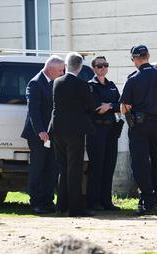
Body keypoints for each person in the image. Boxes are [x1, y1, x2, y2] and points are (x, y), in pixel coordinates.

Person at [119, 45, 157, 216]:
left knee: (140, 165)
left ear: (135, 59)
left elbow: (124, 108)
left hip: (139, 126)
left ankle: (148, 202)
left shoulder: (133, 78)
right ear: (148, 56)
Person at [49, 52, 101, 217]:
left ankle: (61, 206)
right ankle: (75, 208)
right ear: (79, 67)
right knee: (75, 169)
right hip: (75, 131)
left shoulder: (56, 82)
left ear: (66, 65)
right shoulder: (82, 85)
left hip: (57, 129)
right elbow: (92, 106)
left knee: (63, 168)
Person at [21, 55, 64, 214]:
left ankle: (47, 201)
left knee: (52, 168)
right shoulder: (36, 83)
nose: (62, 73)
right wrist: (40, 131)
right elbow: (33, 110)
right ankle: (36, 202)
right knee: (38, 168)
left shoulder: (54, 82)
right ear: (51, 69)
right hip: (38, 134)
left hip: (52, 134)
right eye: (60, 70)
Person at [86, 56, 122, 211]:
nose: (102, 68)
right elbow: (94, 107)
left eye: (105, 65)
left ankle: (106, 201)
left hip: (111, 130)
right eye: (99, 66)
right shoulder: (90, 86)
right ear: (93, 68)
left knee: (109, 166)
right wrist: (109, 106)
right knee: (96, 167)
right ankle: (93, 201)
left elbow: (121, 105)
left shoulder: (112, 86)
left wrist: (108, 106)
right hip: (96, 130)